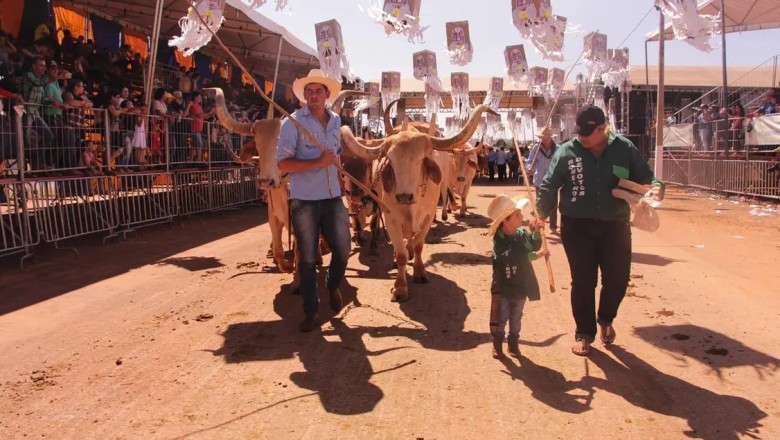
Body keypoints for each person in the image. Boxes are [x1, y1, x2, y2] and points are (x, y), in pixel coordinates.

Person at [536, 105, 663, 357]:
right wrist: (540, 212)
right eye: (579, 132)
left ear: (603, 128)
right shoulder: (567, 151)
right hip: (576, 227)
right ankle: (584, 333)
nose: (581, 137)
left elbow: (647, 178)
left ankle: (605, 319)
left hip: (615, 226)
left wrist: (655, 190)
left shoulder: (624, 148)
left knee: (618, 279)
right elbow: (550, 185)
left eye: (587, 133)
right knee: (583, 281)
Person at [275, 69, 352, 332]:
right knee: (306, 259)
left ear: (327, 95)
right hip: (305, 200)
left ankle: (332, 284)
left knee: (343, 250)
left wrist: (340, 179)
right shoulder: (292, 123)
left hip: (332, 198)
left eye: (319, 91)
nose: (314, 95)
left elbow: (337, 155)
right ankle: (311, 311)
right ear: (304, 96)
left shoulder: (335, 121)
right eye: (309, 92)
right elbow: (283, 163)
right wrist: (317, 162)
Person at [487, 194, 549, 359]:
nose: (522, 216)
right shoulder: (499, 242)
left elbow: (532, 245)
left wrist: (535, 232)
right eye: (517, 215)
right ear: (505, 221)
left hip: (520, 286)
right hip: (504, 287)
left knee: (516, 317)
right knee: (502, 317)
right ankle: (497, 344)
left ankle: (513, 343)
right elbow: (514, 256)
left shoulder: (521, 234)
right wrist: (536, 255)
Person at [526, 126, 559, 233]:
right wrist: (529, 168)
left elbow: (560, 163)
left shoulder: (558, 148)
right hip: (539, 180)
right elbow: (531, 161)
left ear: (551, 137)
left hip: (552, 180)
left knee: (553, 203)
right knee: (539, 204)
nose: (544, 140)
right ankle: (539, 225)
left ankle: (553, 226)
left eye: (546, 138)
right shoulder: (536, 148)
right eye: (542, 138)